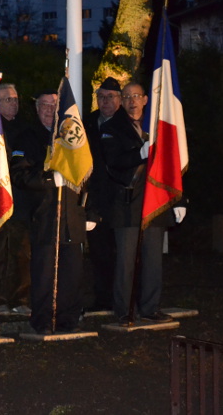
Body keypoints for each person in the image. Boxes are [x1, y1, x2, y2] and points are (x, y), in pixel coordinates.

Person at [100, 81, 181, 325]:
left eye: (136, 96)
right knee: (126, 262)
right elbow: (113, 161)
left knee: (153, 260)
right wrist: (140, 154)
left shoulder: (159, 126)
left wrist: (179, 198)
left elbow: (173, 164)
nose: (132, 101)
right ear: (122, 101)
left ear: (146, 100)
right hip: (127, 204)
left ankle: (150, 308)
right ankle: (124, 311)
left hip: (155, 201)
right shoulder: (112, 127)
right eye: (127, 97)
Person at [10, 89, 86, 334]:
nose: (49, 110)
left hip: (71, 215)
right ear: (36, 109)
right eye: (44, 105)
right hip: (43, 214)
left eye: (54, 105)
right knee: (44, 272)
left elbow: (88, 172)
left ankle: (68, 319)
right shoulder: (27, 138)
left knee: (71, 271)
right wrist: (49, 179)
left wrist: (90, 212)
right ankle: (43, 320)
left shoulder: (72, 137)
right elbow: (19, 174)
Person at [82, 76, 122, 313]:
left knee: (121, 255)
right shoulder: (87, 124)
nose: (105, 101)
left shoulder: (127, 124)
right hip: (95, 201)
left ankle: (124, 298)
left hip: (119, 201)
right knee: (99, 254)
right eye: (101, 97)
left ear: (119, 100)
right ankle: (102, 299)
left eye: (110, 97)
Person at [0, 83, 32, 317]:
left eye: (16, 99)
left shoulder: (25, 130)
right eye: (8, 99)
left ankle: (21, 298)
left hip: (21, 201)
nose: (14, 103)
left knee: (22, 254)